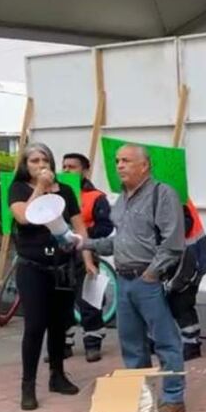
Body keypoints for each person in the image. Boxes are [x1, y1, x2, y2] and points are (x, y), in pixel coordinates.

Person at [81, 144, 187, 412]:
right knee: (131, 344)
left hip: (148, 280)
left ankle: (174, 398)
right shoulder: (122, 200)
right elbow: (119, 241)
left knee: (165, 342)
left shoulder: (162, 194)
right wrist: (87, 244)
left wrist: (151, 274)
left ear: (145, 166)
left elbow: (173, 242)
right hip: (124, 279)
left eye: (126, 161)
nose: (119, 166)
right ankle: (142, 396)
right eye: (117, 161)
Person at [8, 143, 91, 410]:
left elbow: (79, 226)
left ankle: (58, 375)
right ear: (25, 165)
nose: (40, 164)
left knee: (59, 323)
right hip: (33, 267)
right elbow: (24, 218)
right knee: (35, 326)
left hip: (62, 266)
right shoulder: (19, 188)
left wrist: (87, 258)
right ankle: (27, 385)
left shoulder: (66, 190)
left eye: (45, 159)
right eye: (34, 160)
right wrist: (40, 188)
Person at [61, 153, 114, 362]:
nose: (66, 171)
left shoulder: (96, 197)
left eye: (72, 167)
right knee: (60, 301)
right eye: (64, 166)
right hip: (59, 256)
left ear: (85, 170)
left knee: (89, 300)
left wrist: (84, 233)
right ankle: (62, 344)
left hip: (87, 252)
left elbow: (106, 226)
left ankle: (92, 343)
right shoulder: (55, 193)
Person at [167, 198, 206, 361]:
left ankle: (191, 343)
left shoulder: (175, 195)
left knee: (182, 303)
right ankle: (183, 340)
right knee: (174, 302)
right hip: (183, 259)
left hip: (189, 260)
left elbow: (184, 225)